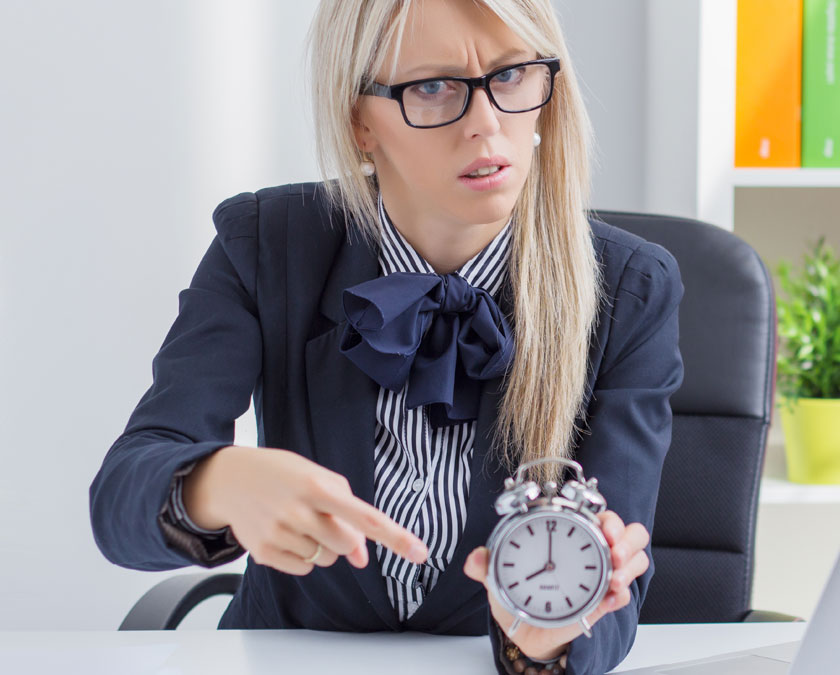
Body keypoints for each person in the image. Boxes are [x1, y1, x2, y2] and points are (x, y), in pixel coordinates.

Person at [88, 0, 684, 673]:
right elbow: (118, 503)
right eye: (433, 88)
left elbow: (616, 576)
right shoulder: (263, 244)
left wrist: (544, 638)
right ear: (359, 122)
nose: (486, 124)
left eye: (513, 75)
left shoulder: (631, 286)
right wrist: (220, 482)